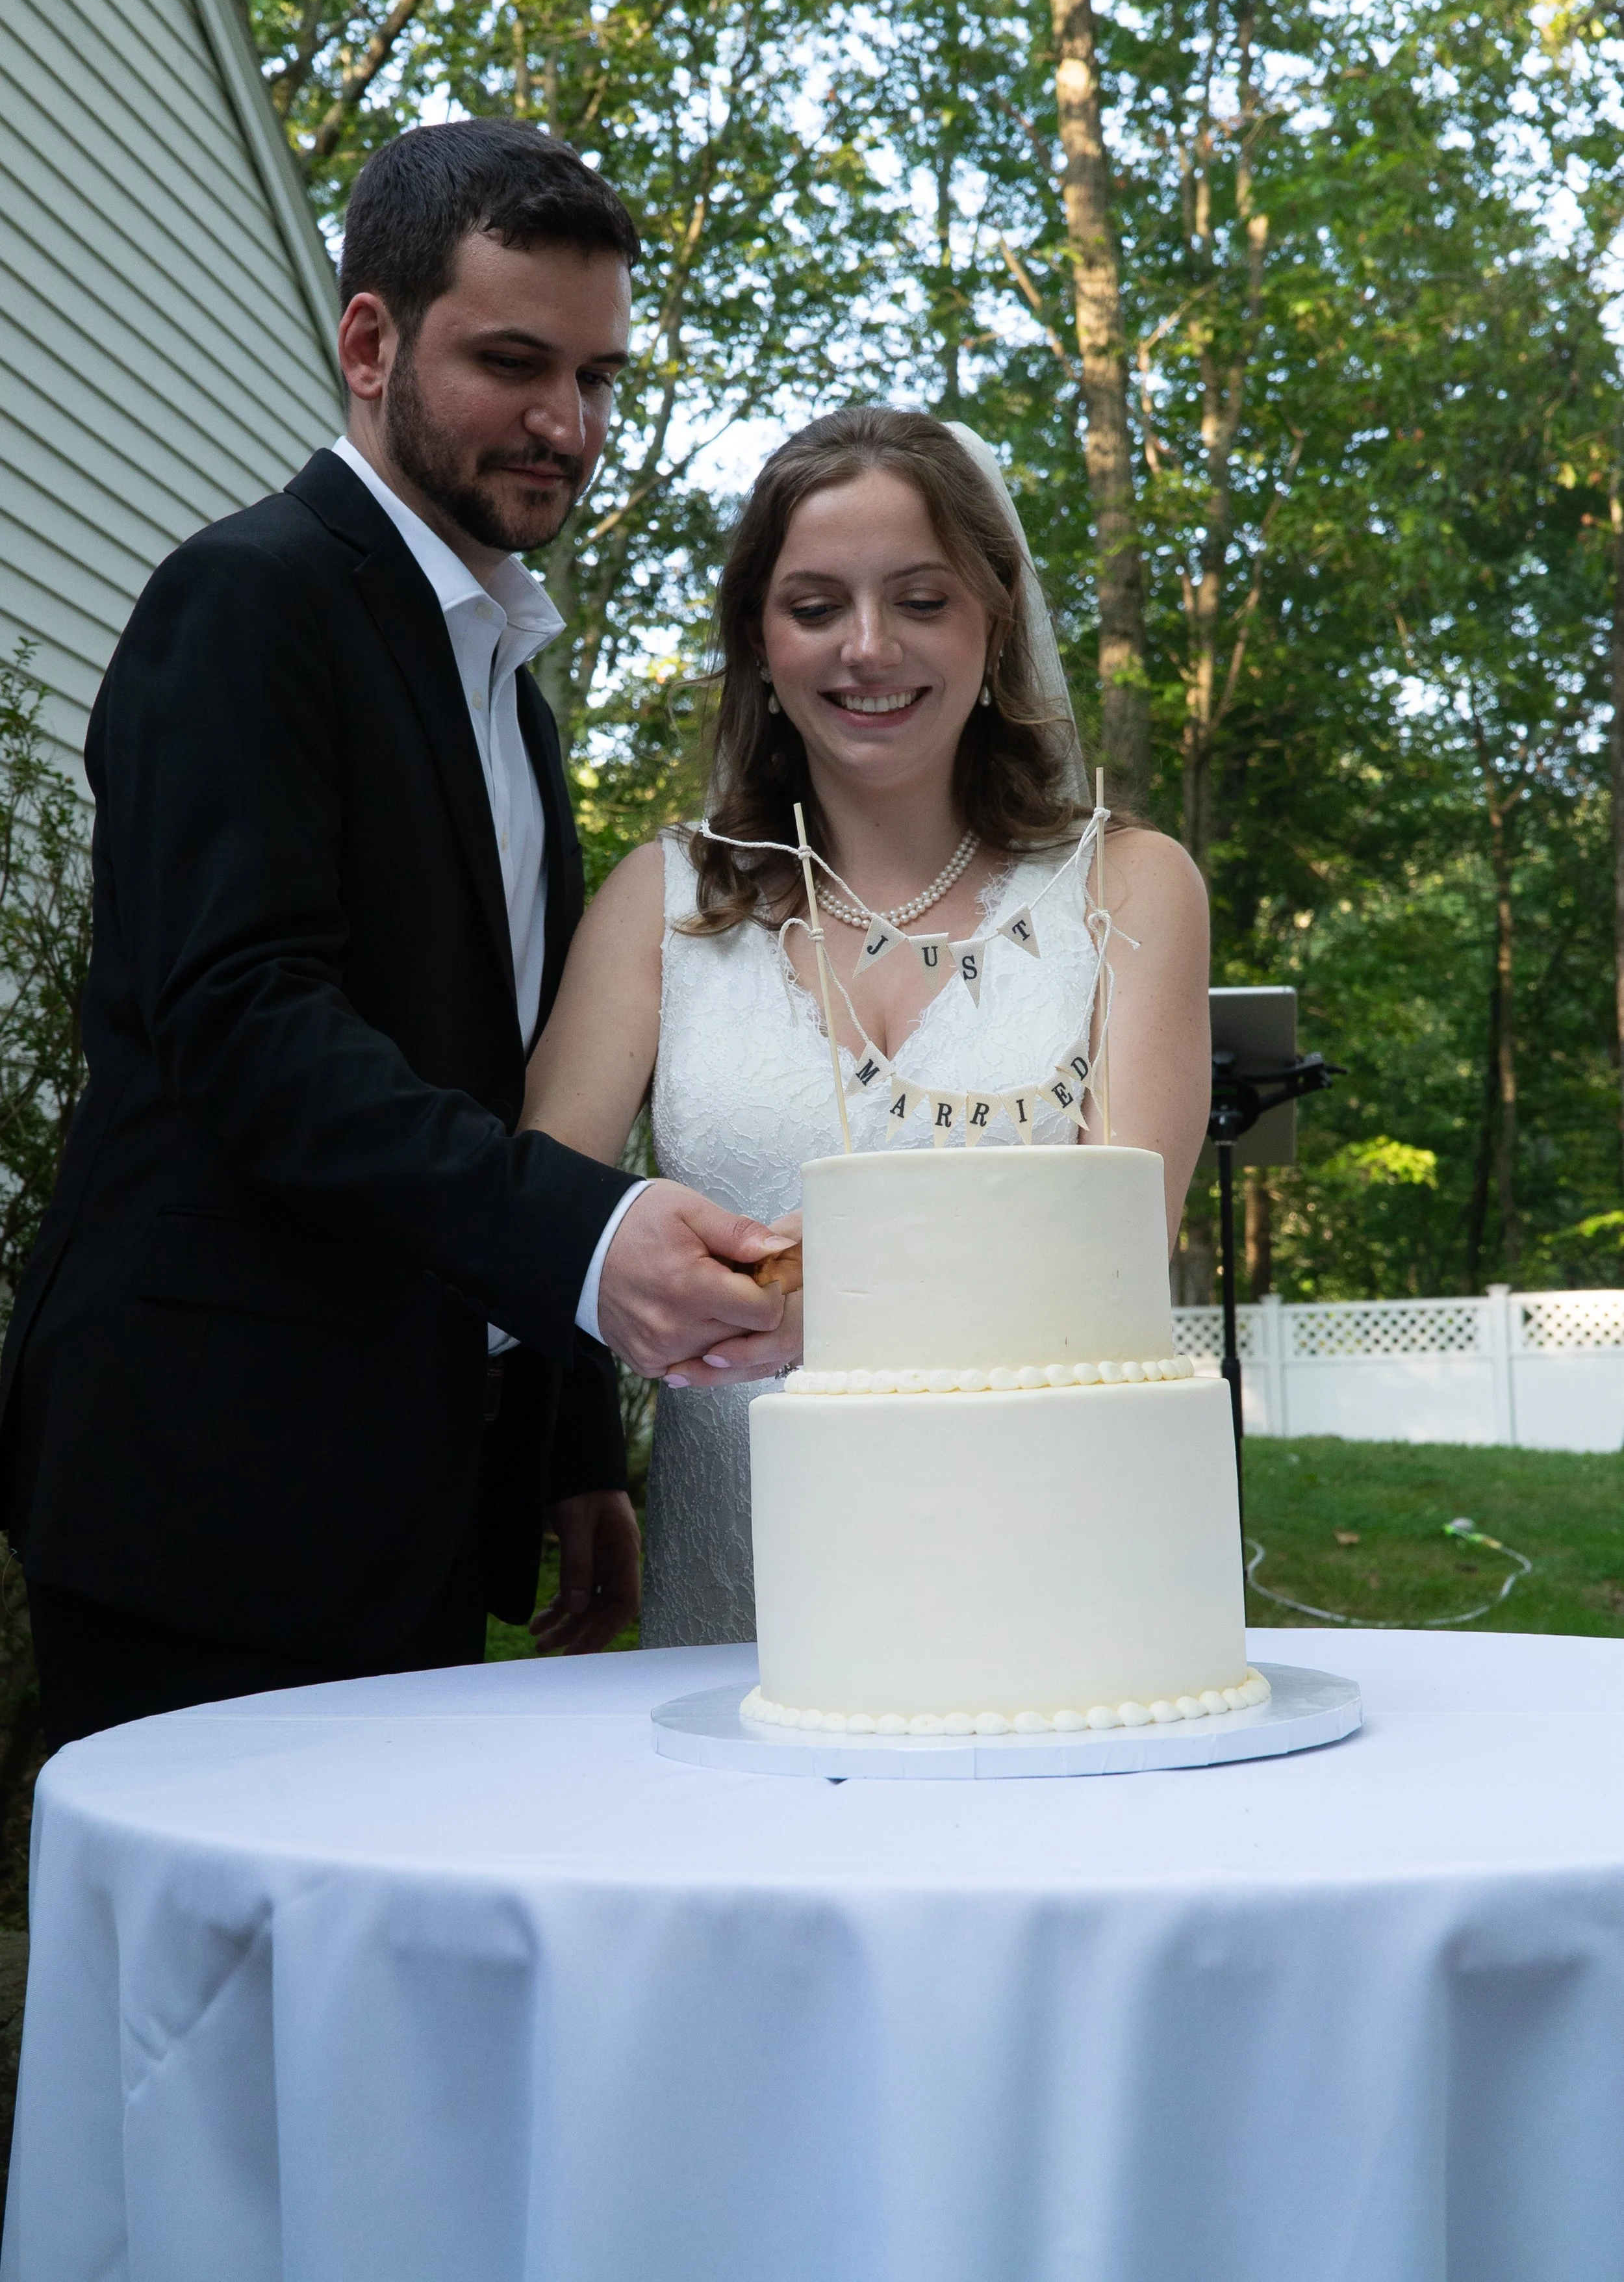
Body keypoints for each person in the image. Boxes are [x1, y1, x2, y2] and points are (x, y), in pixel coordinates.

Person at [0, 120, 789, 1750]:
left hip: (413, 1481)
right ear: (369, 341)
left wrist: (569, 1436)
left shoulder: (506, 682)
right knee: (218, 2005)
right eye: (514, 362)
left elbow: (516, 1086)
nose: (567, 425)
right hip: (204, 1480)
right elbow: (247, 1026)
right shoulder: (246, 600)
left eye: (599, 379)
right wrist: (585, 1248)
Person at [525, 407, 1211, 1645]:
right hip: (739, 1583)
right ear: (758, 638)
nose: (869, 648)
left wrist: (820, 1303)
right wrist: (580, 1457)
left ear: (995, 621)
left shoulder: (1131, 889)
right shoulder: (658, 902)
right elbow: (542, 1217)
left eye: (922, 599)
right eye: (815, 605)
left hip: (1040, 1585)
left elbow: (1121, 1245)